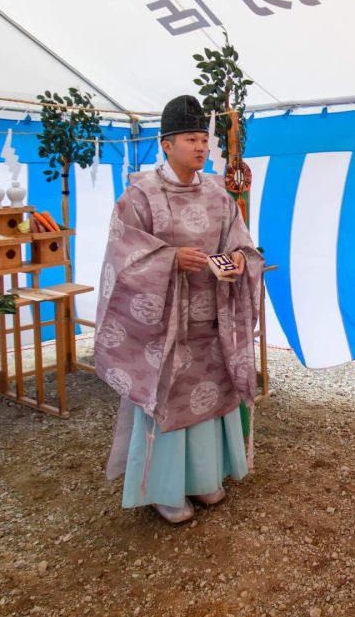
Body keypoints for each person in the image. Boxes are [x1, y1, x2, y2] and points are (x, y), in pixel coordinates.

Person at [95, 95, 262, 524]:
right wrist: (170, 259)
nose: (202, 148)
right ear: (166, 144)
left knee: (211, 396)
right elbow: (122, 256)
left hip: (212, 319)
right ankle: (164, 490)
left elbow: (238, 239)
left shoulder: (217, 194)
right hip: (164, 325)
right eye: (191, 139)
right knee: (169, 399)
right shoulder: (140, 195)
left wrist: (241, 259)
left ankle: (205, 477)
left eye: (204, 139)